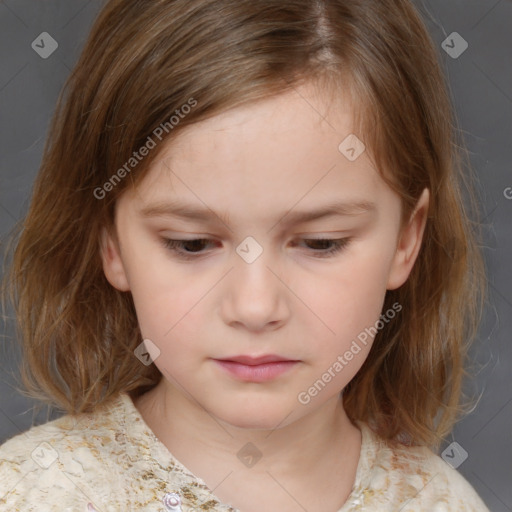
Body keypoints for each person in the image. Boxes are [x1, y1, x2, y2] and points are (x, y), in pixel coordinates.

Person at [0, 0, 489, 510]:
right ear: (112, 243)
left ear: (406, 240)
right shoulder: (31, 494)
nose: (255, 308)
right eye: (190, 244)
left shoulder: (441, 501)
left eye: (322, 243)